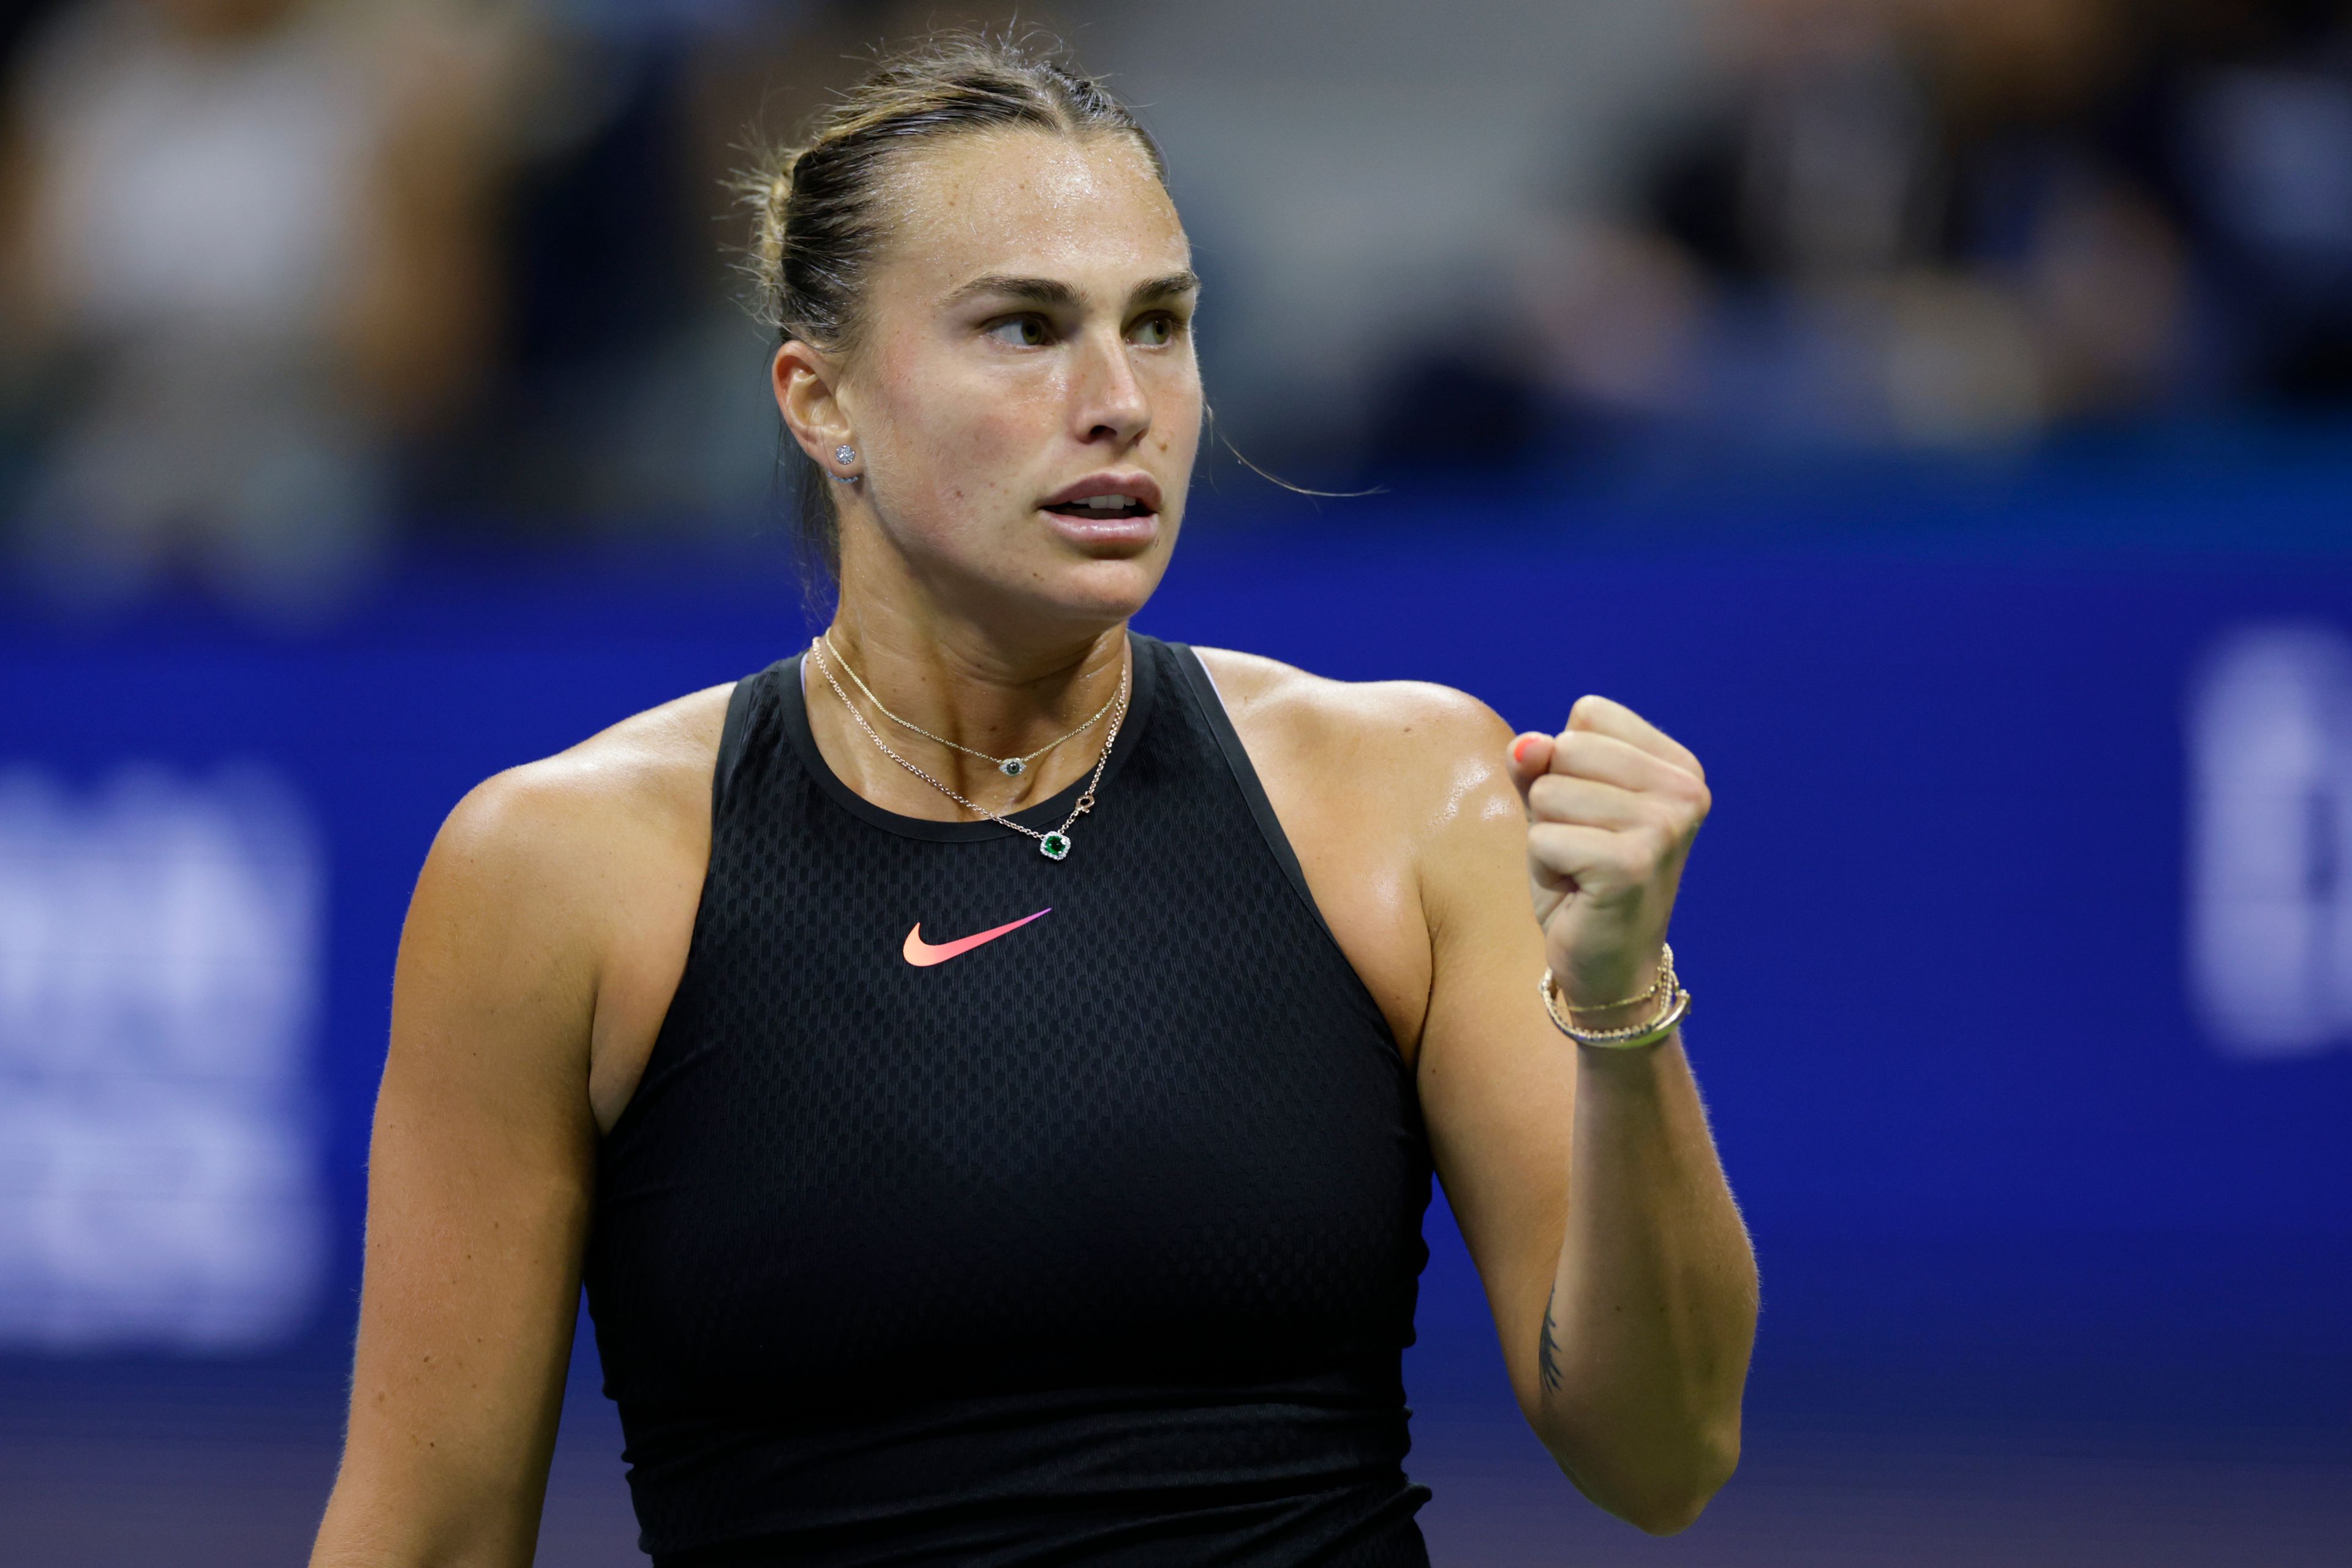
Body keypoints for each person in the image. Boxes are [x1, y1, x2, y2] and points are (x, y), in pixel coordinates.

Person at [308, 32, 1757, 1568]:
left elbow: (1663, 1456)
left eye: (1162, 324)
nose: (1122, 400)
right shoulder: (561, 868)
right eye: (1023, 327)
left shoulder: (1412, 790)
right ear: (822, 400)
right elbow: (432, 1525)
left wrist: (1622, 1005)